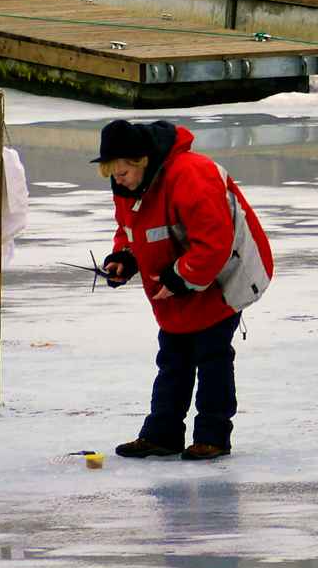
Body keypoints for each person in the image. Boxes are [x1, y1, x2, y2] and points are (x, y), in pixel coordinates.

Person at [94, 119, 273, 461]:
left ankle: (213, 436)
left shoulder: (191, 175)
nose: (118, 182)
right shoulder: (129, 187)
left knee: (212, 359)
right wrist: (124, 259)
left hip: (222, 278)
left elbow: (214, 242)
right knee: (172, 361)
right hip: (174, 286)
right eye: (112, 176)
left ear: (143, 162)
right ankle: (162, 434)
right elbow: (131, 228)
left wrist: (178, 280)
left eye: (123, 173)